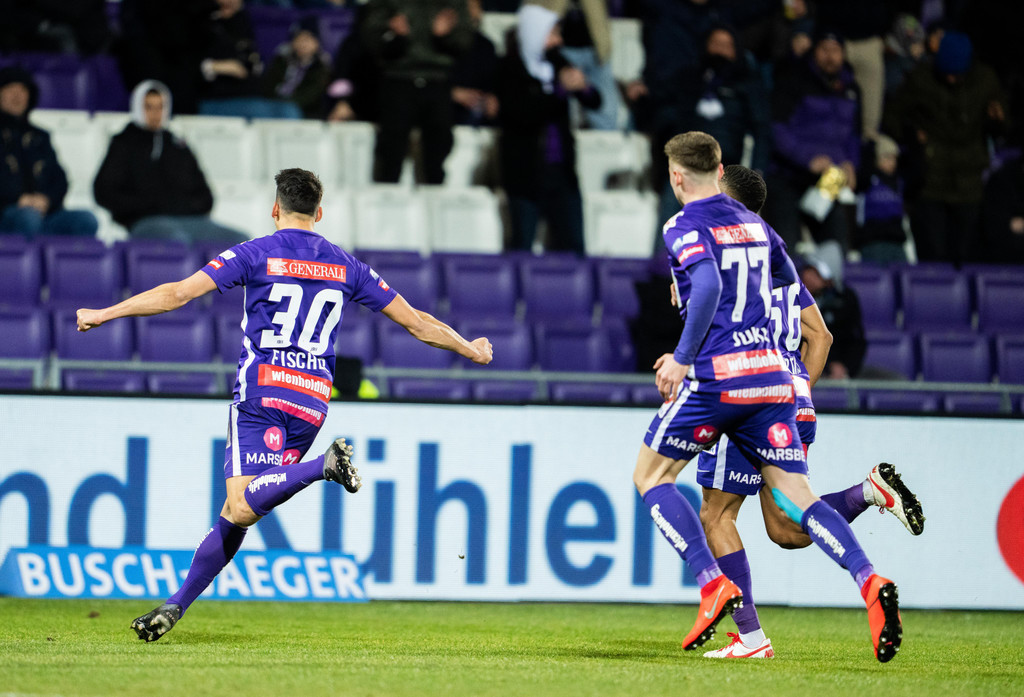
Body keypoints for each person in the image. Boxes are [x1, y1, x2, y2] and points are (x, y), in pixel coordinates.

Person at [75, 168, 493, 641]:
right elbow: (417, 322)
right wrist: (469, 348)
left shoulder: (255, 253)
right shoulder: (346, 265)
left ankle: (321, 467)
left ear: (275, 209)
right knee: (240, 510)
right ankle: (174, 606)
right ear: (319, 212)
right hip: (311, 403)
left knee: (241, 503)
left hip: (263, 393)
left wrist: (104, 313)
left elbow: (176, 295)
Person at [635, 131, 902, 663]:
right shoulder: (760, 229)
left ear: (677, 176)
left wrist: (684, 353)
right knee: (796, 504)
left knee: (654, 478)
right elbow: (785, 283)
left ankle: (715, 588)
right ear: (719, 169)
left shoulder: (682, 225)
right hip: (776, 379)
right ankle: (869, 579)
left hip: (721, 376)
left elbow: (710, 287)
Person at [692, 164, 923, 659]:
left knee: (716, 514)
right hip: (790, 399)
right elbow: (821, 336)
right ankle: (867, 493)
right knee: (785, 529)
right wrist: (797, 392)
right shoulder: (780, 262)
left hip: (745, 394)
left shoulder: (724, 255)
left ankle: (752, 638)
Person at [496, 3, 598, 254]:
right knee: (522, 246)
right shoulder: (509, 71)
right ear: (535, 33)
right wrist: (559, 91)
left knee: (574, 249)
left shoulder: (558, 63)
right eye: (553, 34)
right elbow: (523, 115)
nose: (558, 41)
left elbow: (595, 101)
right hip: (525, 175)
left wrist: (583, 87)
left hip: (562, 173)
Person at [93, 80, 248, 245]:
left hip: (190, 220)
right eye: (149, 107)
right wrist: (148, 206)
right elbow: (104, 191)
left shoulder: (178, 145)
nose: (156, 113)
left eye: (160, 107)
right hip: (146, 221)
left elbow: (205, 196)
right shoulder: (123, 143)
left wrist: (182, 205)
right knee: (175, 242)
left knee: (241, 242)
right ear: (138, 107)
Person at [761, 29, 861, 284]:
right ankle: (784, 301)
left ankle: (832, 303)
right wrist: (808, 158)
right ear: (814, 52)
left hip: (827, 179)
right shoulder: (793, 81)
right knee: (785, 249)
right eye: (824, 49)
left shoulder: (851, 88)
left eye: (835, 50)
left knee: (836, 248)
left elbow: (854, 136)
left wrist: (851, 163)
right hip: (788, 175)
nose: (830, 56)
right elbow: (776, 130)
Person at [362, 0, 472, 184]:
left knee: (438, 149)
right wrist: (393, 35)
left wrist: (445, 35)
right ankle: (386, 197)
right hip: (398, 78)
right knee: (391, 151)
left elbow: (465, 40)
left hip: (437, 80)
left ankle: (435, 195)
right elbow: (371, 36)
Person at [0, 66, 98, 239]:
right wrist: (18, 199)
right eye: (10, 89)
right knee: (28, 218)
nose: (17, 96)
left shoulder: (40, 137)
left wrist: (46, 199)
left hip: (44, 213)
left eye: (22, 90)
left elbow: (59, 179)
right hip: (7, 213)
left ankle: (61, 258)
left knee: (86, 220)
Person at [263, 17, 333, 120]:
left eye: (307, 39)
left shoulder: (321, 66)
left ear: (317, 42)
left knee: (288, 112)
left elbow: (310, 95)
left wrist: (286, 103)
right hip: (273, 104)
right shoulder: (281, 59)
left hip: (301, 110)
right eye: (298, 38)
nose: (302, 43)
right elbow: (268, 85)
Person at [855, 134, 909, 264]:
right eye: (887, 157)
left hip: (896, 242)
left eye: (894, 158)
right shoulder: (868, 180)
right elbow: (863, 171)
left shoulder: (899, 181)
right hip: (873, 242)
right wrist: (870, 145)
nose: (892, 162)